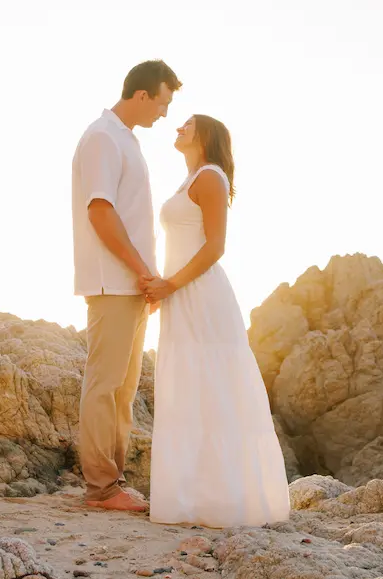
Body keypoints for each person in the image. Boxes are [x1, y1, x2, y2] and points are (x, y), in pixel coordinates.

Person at [142, 114, 291, 528]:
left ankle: (224, 502)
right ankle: (191, 500)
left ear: (205, 137)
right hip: (179, 293)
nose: (177, 129)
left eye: (187, 125)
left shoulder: (210, 177)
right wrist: (163, 287)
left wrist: (170, 284)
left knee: (212, 389)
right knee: (188, 389)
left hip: (201, 295)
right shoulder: (189, 179)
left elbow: (215, 246)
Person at [72, 59, 181, 512]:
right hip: (114, 280)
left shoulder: (123, 140)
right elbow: (100, 211)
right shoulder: (102, 137)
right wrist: (140, 269)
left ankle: (111, 482)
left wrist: (145, 278)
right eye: (163, 101)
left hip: (132, 284)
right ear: (143, 94)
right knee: (105, 385)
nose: (165, 112)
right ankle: (101, 488)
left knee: (123, 388)